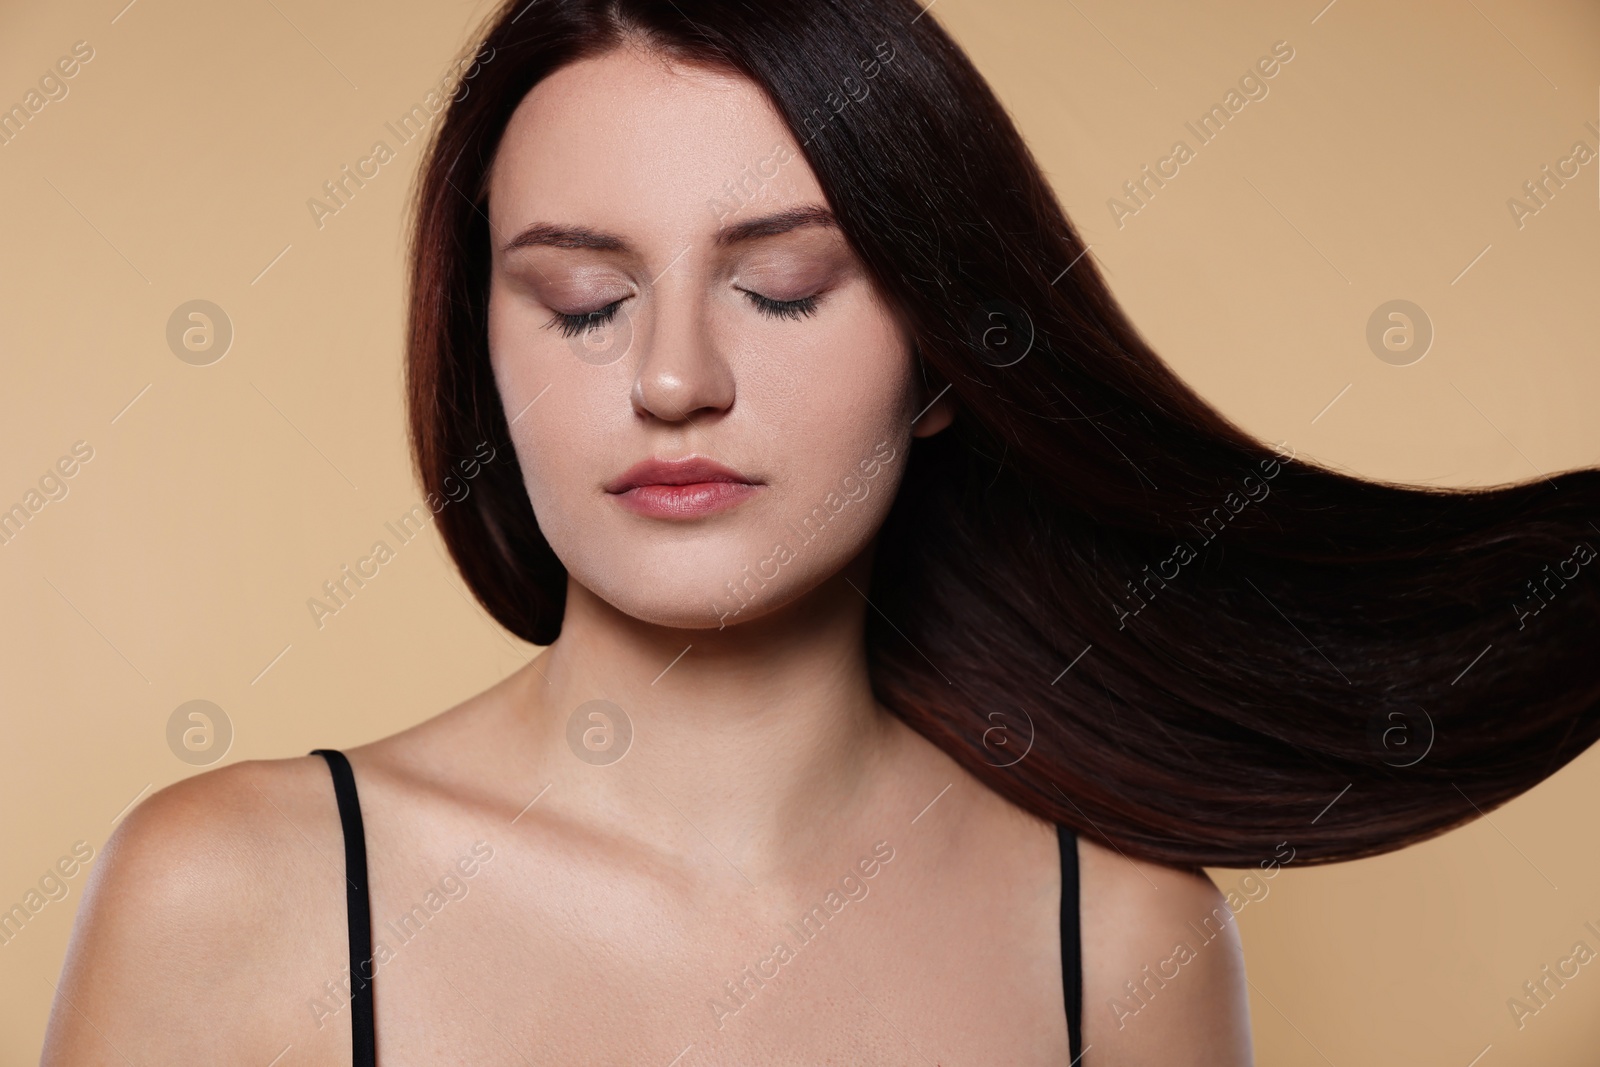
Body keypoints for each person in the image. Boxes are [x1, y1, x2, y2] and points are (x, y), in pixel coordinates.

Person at [41, 1, 1598, 1064]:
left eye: (782, 286)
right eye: (584, 303)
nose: (673, 379)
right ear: (484, 349)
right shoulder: (238, 897)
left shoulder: (1120, 947)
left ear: (943, 356)